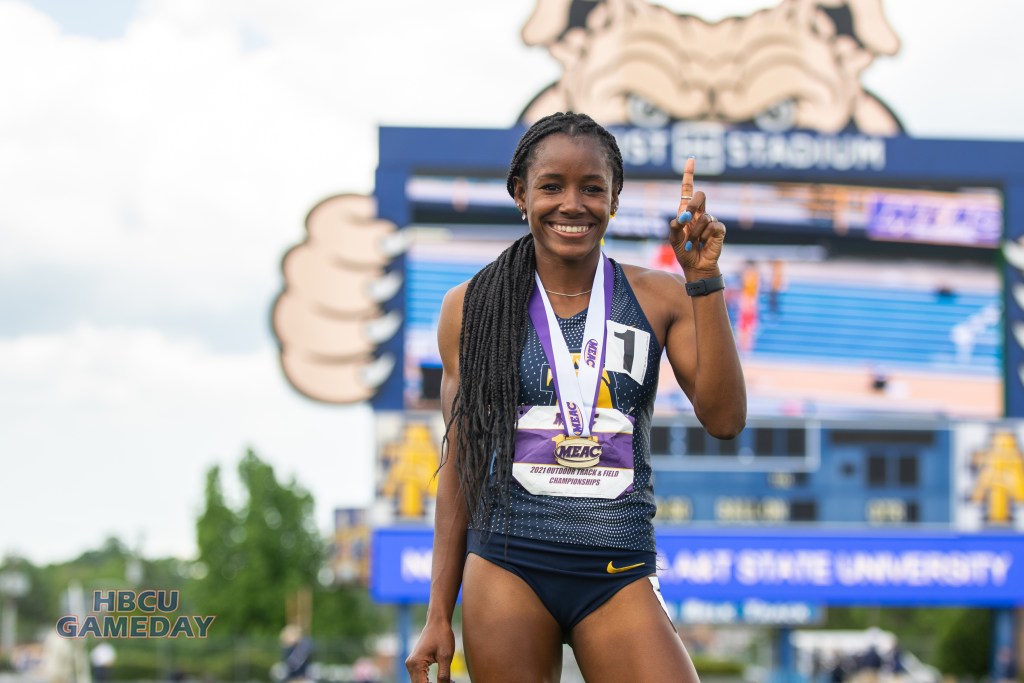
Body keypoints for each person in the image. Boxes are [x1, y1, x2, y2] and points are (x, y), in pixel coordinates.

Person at [405, 112, 746, 683]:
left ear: (613, 201)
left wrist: (703, 280)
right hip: (509, 566)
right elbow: (459, 465)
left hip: (618, 568)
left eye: (592, 188)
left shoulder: (659, 296)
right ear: (520, 194)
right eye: (551, 186)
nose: (573, 204)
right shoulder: (471, 307)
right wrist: (438, 613)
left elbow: (726, 418)